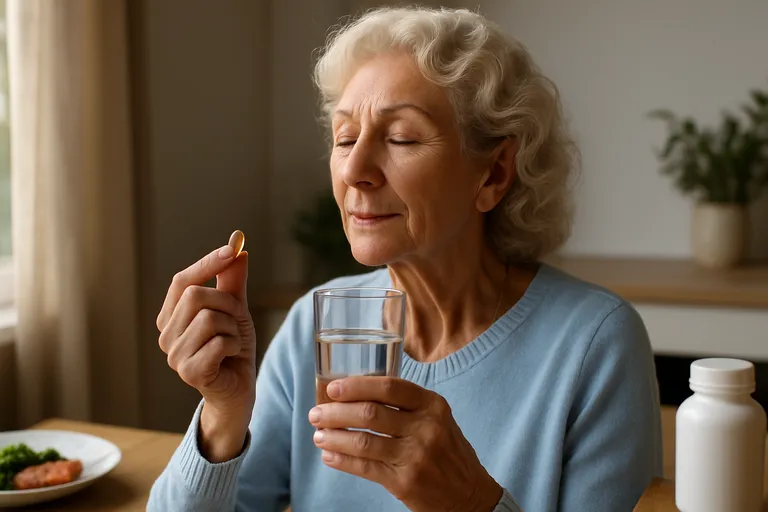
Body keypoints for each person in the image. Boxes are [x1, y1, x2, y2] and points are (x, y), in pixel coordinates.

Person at [148, 6, 661, 512]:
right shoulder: (315, 321)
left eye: (401, 138)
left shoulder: (595, 344)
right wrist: (223, 411)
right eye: (345, 137)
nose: (355, 169)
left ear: (495, 174)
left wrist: (472, 503)